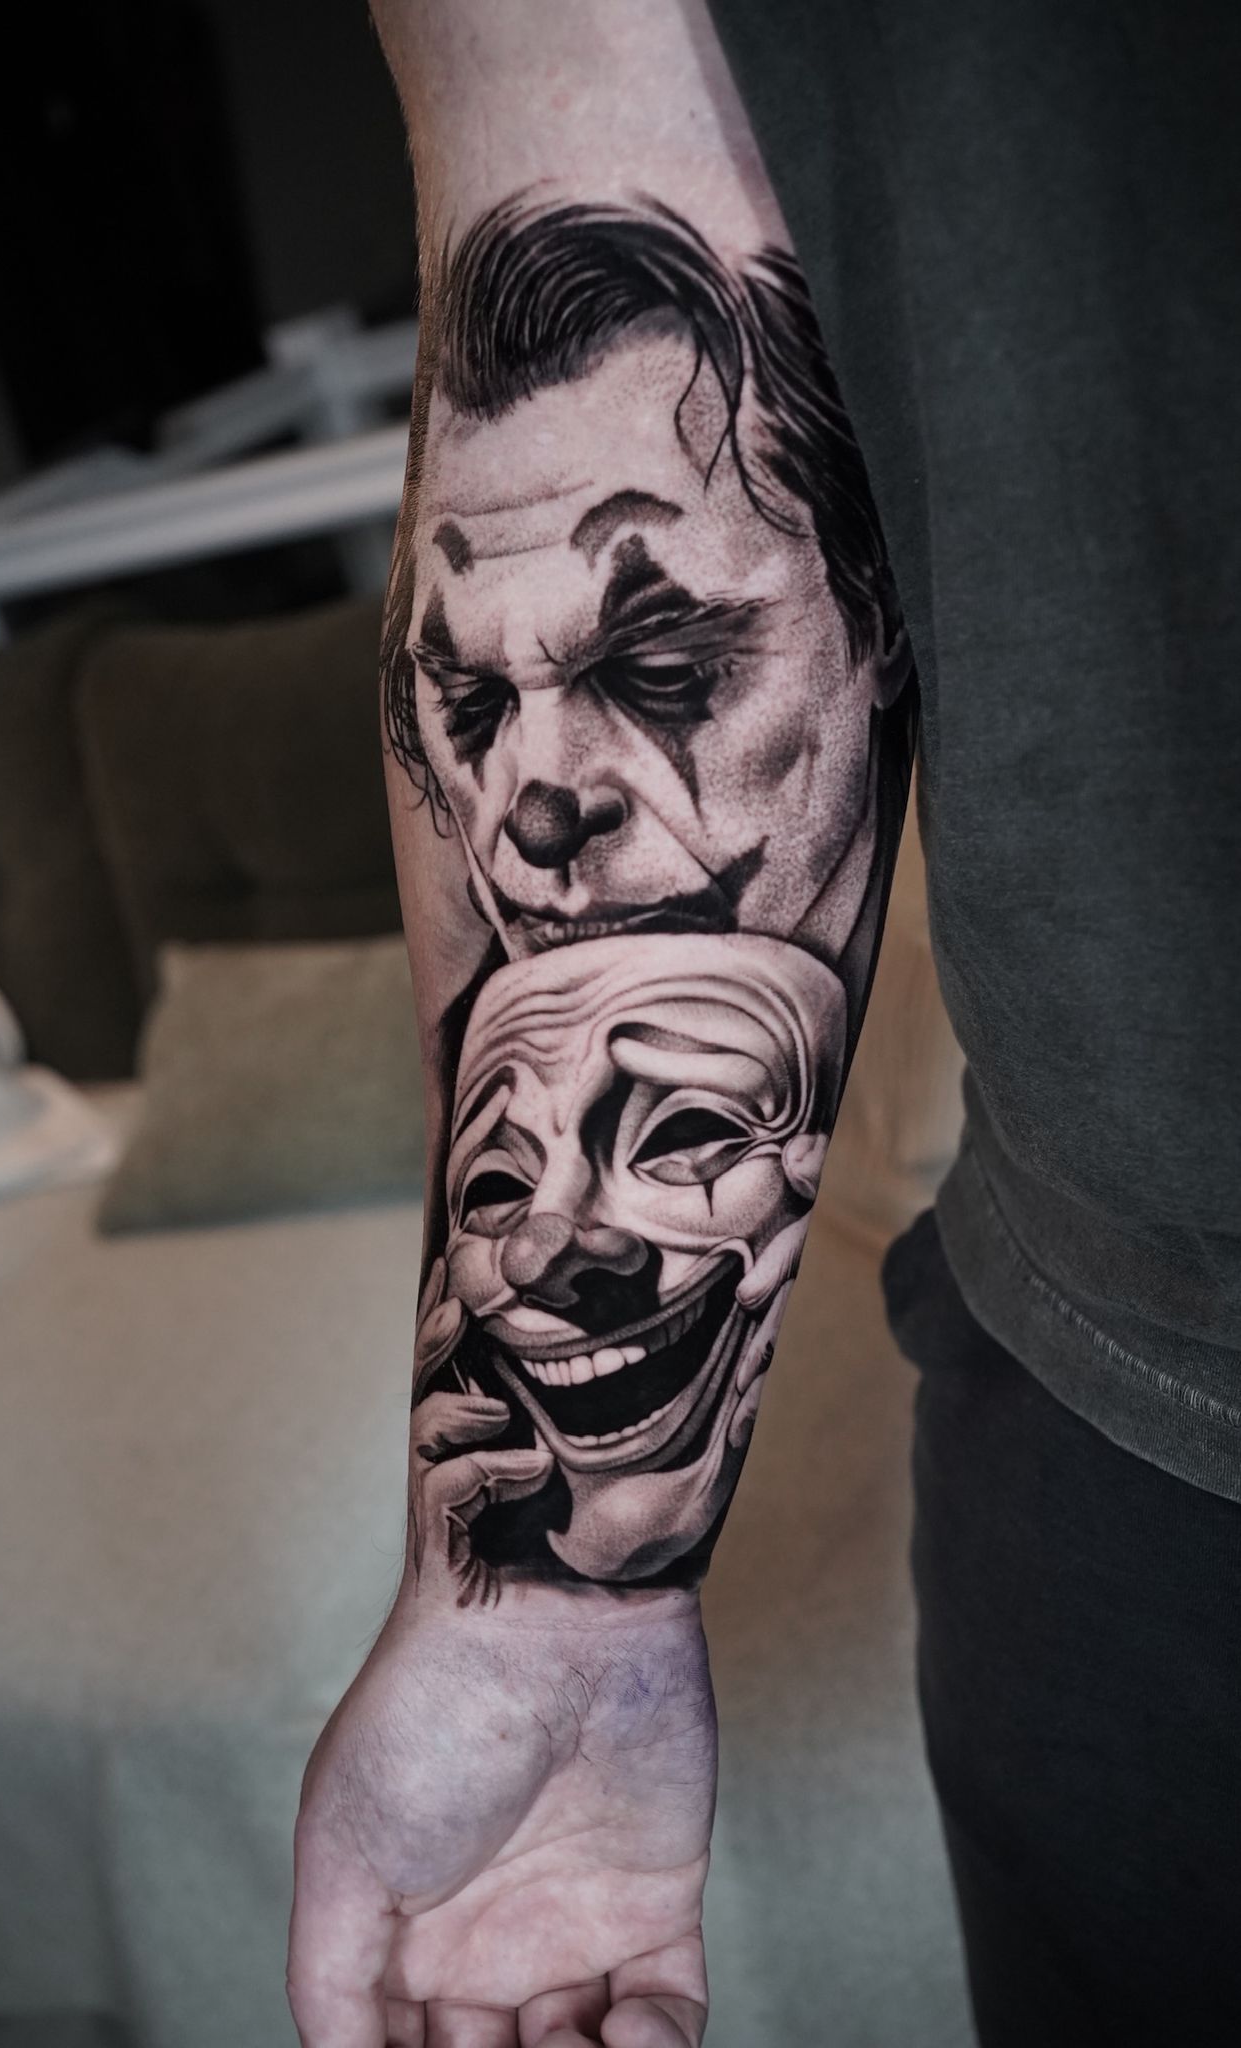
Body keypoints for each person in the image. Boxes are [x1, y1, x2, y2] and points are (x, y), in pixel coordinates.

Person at [288, 3, 1241, 2045]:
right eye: (477, 701)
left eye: (656, 659)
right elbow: (584, 132)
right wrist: (537, 1598)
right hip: (1131, 1481)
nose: (531, 798)